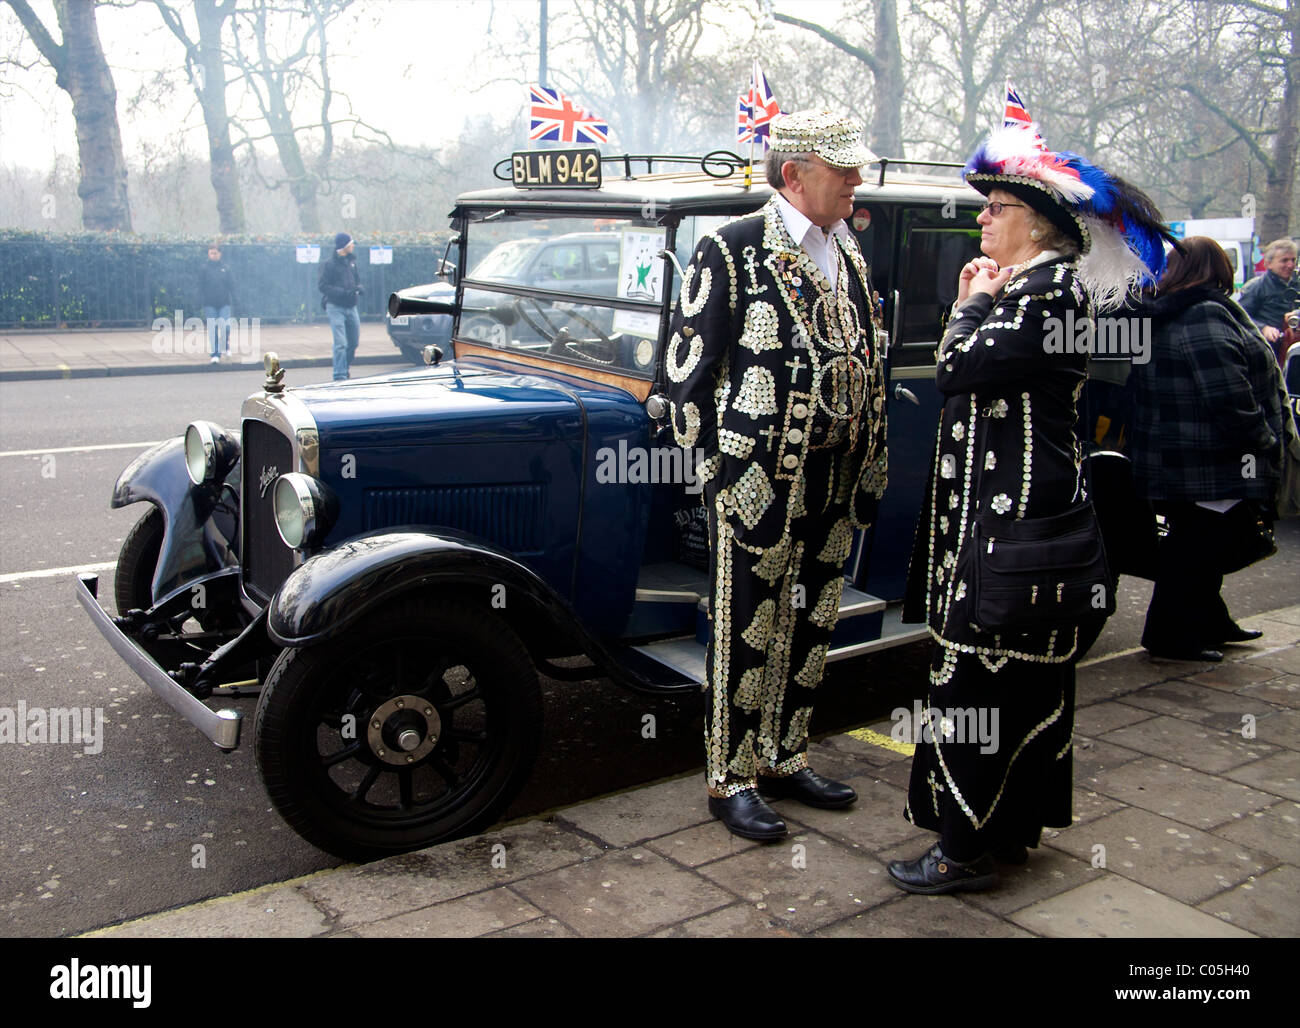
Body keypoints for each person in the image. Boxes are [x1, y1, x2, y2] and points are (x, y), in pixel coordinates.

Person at [889, 120, 1173, 894]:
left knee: (979, 686)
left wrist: (969, 302)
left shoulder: (1044, 294)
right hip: (1015, 522)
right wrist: (987, 296)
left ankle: (963, 851)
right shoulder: (1042, 290)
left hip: (1011, 531)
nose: (981, 219)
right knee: (1020, 683)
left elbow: (957, 369)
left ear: (1036, 222)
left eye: (995, 207)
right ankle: (1008, 832)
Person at [666, 111, 888, 841]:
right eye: (843, 168)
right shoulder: (730, 250)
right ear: (795, 175)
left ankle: (787, 754)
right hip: (760, 480)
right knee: (745, 624)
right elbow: (684, 380)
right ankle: (730, 777)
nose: (857, 179)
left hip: (837, 469)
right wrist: (723, 470)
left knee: (814, 617)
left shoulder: (846, 248)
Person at [1130, 237, 1287, 662]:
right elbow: (1227, 396)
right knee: (1198, 547)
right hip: (1209, 458)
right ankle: (1170, 636)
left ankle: (1210, 622)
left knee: (1198, 541)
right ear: (1216, 268)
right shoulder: (1203, 314)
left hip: (1179, 455)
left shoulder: (1169, 311)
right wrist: (1265, 441)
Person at [1239, 238, 1298, 362]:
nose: (1290, 265)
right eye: (1284, 260)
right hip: (1270, 349)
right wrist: (1263, 328)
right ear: (1269, 263)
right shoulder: (1256, 287)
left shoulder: (1297, 284)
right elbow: (1240, 317)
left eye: (1293, 260)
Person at [319, 232, 362, 380]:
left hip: (352, 307)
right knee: (341, 343)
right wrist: (343, 293)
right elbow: (323, 286)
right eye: (351, 243)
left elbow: (357, 280)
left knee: (354, 342)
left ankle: (345, 366)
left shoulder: (352, 262)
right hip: (335, 307)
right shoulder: (329, 264)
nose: (353, 245)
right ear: (343, 246)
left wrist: (359, 287)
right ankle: (339, 374)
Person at [200, 243, 235, 364]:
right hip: (209, 303)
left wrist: (235, 299)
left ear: (220, 254)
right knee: (212, 328)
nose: (213, 255)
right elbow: (200, 285)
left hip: (224, 302)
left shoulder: (226, 268)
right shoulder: (204, 268)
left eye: (215, 253)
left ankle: (225, 346)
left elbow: (231, 285)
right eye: (211, 253)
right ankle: (215, 353)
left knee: (226, 326)